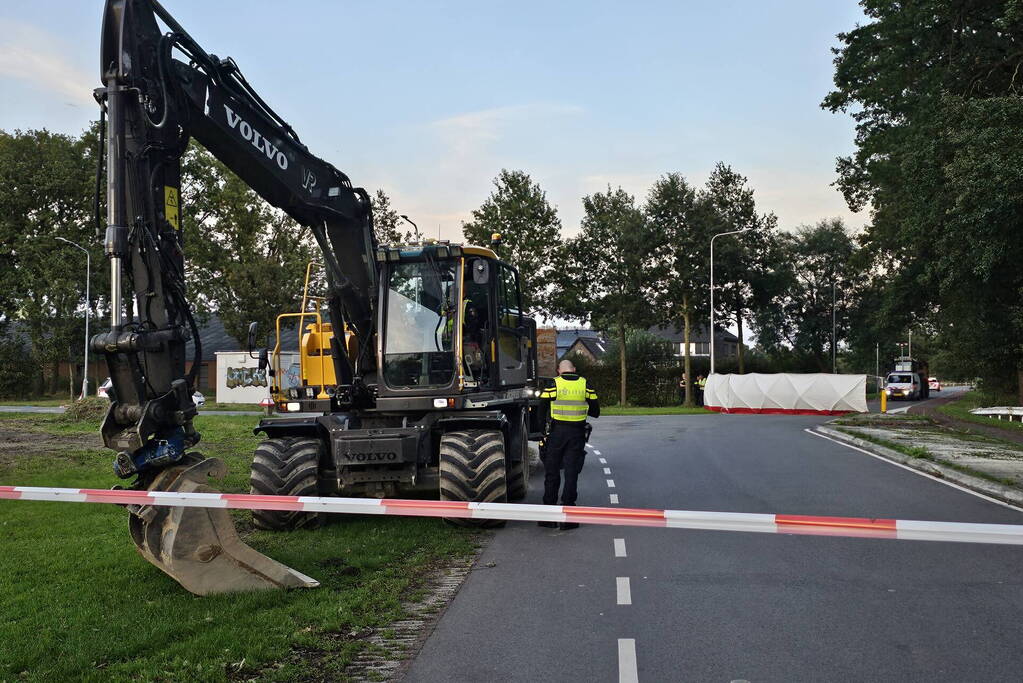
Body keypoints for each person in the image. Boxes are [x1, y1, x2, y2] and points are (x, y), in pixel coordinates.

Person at [537, 359, 599, 530]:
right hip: (577, 434)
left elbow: (541, 408)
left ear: (559, 370)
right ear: (574, 369)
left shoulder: (553, 384)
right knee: (571, 474)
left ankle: (548, 517)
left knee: (552, 473)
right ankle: (568, 518)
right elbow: (596, 412)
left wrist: (542, 431)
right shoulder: (585, 384)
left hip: (557, 434)